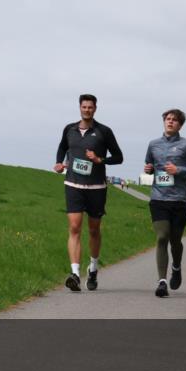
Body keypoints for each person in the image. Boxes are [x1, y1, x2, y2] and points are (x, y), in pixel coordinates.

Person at [53, 94, 124, 291]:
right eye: (84, 107)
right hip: (73, 185)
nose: (87, 110)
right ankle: (75, 274)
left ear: (95, 109)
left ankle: (93, 268)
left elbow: (119, 157)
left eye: (90, 107)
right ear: (79, 108)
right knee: (74, 227)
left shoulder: (104, 131)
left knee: (93, 229)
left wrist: (100, 159)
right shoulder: (70, 129)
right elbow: (62, 147)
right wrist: (59, 163)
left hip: (96, 187)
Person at [143, 109, 186, 298]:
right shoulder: (153, 145)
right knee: (162, 237)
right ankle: (162, 281)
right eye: (167, 119)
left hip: (180, 199)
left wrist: (178, 170)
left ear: (180, 125)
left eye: (174, 120)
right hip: (159, 198)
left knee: (175, 240)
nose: (170, 122)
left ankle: (176, 267)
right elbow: (149, 167)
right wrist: (149, 169)